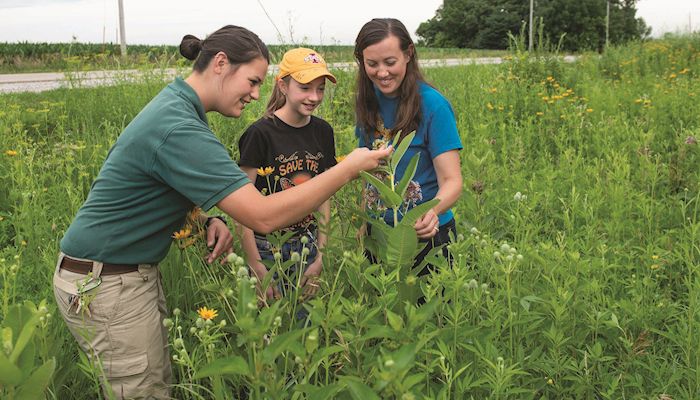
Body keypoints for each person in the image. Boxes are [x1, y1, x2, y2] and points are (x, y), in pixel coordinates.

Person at [52, 25, 391, 399]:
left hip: (120, 276)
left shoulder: (178, 108)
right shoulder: (179, 125)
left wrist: (204, 219)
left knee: (155, 387)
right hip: (108, 282)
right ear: (220, 63)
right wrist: (348, 168)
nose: (256, 94)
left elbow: (149, 188)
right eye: (252, 81)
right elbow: (260, 216)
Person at [354, 18, 463, 275]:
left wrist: (431, 212)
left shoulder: (433, 105)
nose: (382, 72)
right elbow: (368, 175)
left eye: (390, 62)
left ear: (408, 54)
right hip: (379, 234)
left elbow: (452, 181)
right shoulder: (367, 102)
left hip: (426, 234)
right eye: (372, 64)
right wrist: (363, 225)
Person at [238, 48, 337, 307]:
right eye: (305, 88)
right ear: (282, 85)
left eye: (321, 88)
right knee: (269, 326)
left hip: (308, 245)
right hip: (266, 247)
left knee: (304, 322)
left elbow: (324, 197)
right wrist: (256, 265)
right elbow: (241, 206)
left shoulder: (323, 132)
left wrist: (320, 258)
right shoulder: (260, 134)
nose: (314, 97)